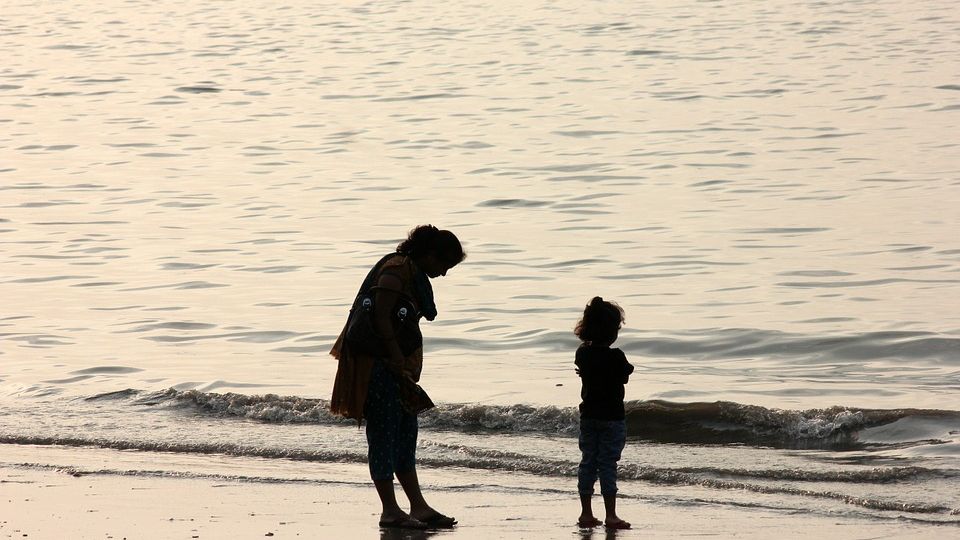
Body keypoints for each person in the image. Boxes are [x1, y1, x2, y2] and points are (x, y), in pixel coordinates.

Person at [330, 225, 465, 530]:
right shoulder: (395, 270)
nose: (443, 273)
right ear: (430, 254)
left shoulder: (410, 272)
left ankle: (417, 506)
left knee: (405, 434)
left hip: (396, 367)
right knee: (383, 436)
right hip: (378, 367)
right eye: (444, 265)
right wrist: (393, 354)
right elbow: (380, 315)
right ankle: (389, 509)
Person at [573, 296, 634, 530]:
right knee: (608, 464)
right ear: (611, 331)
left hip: (588, 416)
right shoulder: (616, 356)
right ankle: (611, 515)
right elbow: (626, 373)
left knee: (588, 462)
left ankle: (586, 513)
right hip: (612, 417)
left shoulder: (583, 353)